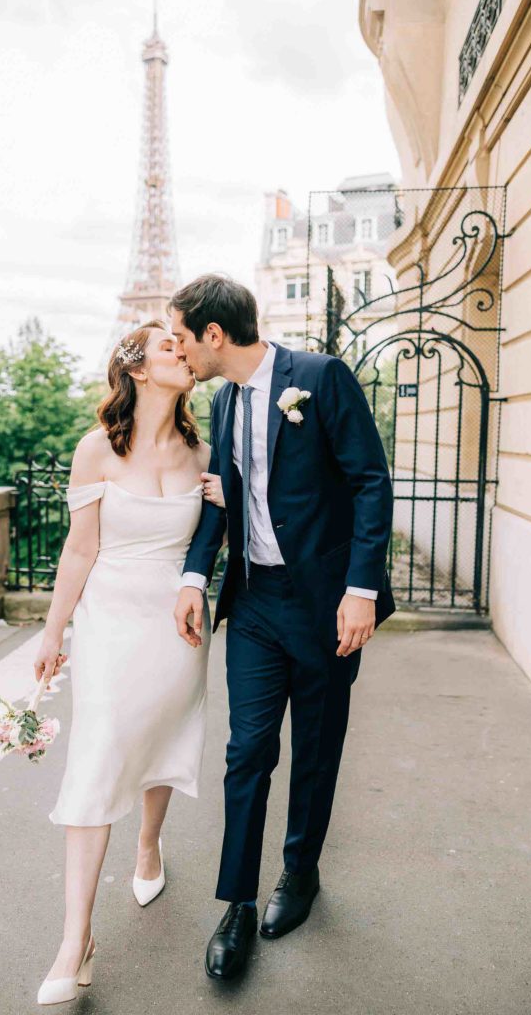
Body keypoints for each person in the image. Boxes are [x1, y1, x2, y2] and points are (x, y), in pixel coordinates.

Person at [171, 274, 395, 981]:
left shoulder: (319, 378)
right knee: (247, 751)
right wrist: (192, 575)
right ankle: (235, 901)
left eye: (181, 337)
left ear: (214, 335)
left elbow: (369, 481)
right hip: (258, 602)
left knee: (317, 747)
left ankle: (299, 873)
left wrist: (360, 590)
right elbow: (222, 493)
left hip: (328, 602)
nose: (178, 351)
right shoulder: (222, 397)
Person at [32, 319, 215, 1005]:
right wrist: (53, 633)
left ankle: (149, 844)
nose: (185, 350)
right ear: (137, 368)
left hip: (176, 624)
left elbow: (217, 538)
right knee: (100, 754)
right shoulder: (95, 450)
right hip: (110, 620)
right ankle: (74, 940)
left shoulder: (203, 449)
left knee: (159, 736)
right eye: (170, 344)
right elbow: (80, 549)